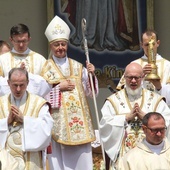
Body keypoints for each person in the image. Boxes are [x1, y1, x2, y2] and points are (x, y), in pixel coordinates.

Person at [44, 15, 99, 170]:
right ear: (51, 46)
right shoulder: (45, 69)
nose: (60, 47)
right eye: (56, 45)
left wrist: (91, 75)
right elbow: (39, 98)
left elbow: (90, 93)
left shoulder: (78, 66)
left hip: (80, 125)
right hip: (58, 125)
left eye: (63, 44)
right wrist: (57, 89)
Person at [99, 62, 170, 170]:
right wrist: (125, 118)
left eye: (136, 77)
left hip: (151, 156)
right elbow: (104, 125)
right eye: (130, 77)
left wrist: (146, 118)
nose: (133, 81)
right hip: (124, 157)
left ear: (142, 77)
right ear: (124, 77)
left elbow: (167, 121)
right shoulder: (113, 101)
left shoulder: (156, 100)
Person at [0, 68, 53, 170]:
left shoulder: (39, 103)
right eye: (15, 85)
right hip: (5, 160)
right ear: (8, 83)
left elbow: (47, 128)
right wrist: (6, 122)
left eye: (22, 85)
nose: (18, 89)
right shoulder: (0, 103)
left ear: (28, 83)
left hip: (31, 161)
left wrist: (25, 120)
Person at [117, 29, 170, 106]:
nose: (150, 48)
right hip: (139, 107)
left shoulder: (168, 65)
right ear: (141, 45)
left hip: (160, 110)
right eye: (147, 45)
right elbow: (123, 93)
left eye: (153, 44)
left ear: (158, 43)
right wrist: (140, 76)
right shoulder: (134, 64)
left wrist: (159, 87)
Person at [0, 23, 54, 97]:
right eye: (18, 41)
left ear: (29, 39)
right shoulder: (2, 60)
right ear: (11, 40)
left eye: (24, 41)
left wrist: (28, 76)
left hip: (33, 105)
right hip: (9, 104)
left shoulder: (40, 59)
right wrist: (16, 75)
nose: (21, 45)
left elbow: (47, 85)